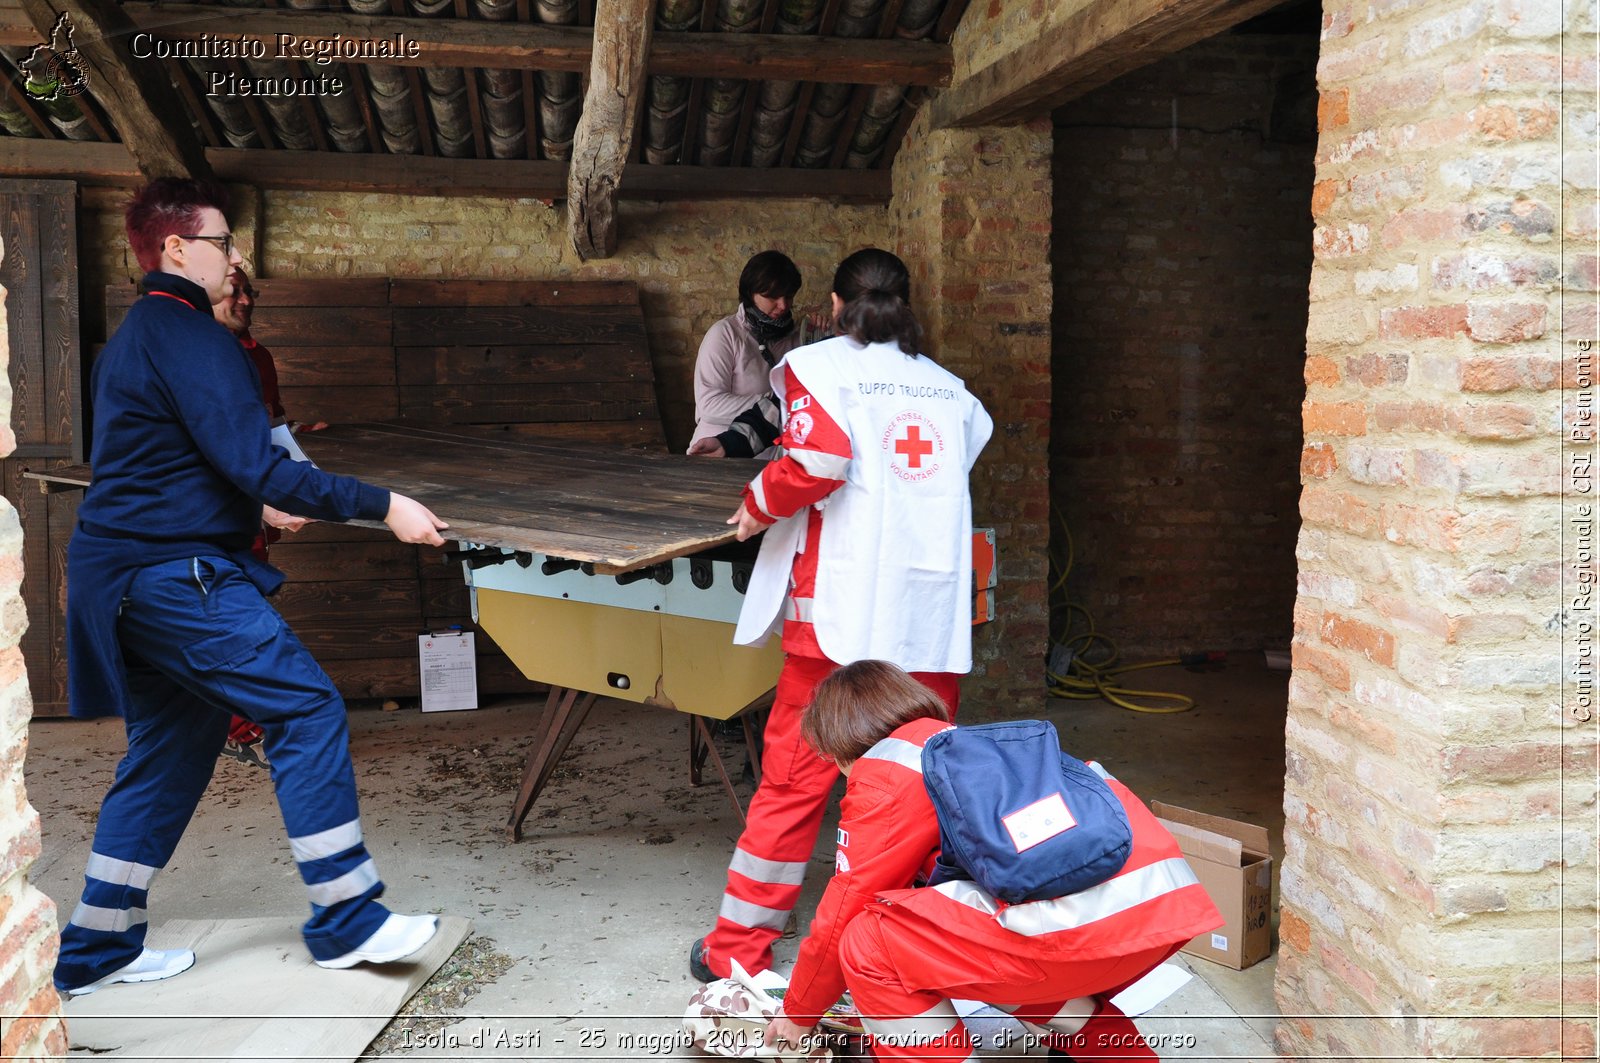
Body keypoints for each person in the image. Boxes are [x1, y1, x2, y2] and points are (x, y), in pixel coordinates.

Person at [54, 178, 449, 997]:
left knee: (170, 749)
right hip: (172, 575)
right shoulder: (194, 335)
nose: (237, 258)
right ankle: (347, 918)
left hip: (119, 578)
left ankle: (96, 949)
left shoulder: (134, 339)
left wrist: (254, 496)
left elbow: (175, 459)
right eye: (224, 242)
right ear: (175, 250)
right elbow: (259, 462)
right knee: (304, 706)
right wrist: (387, 506)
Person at [690, 247, 993, 983]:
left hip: (840, 622)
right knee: (920, 792)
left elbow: (819, 462)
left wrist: (757, 504)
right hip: (928, 623)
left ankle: (738, 950)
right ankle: (902, 950)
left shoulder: (817, 369)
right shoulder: (954, 393)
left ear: (832, 304)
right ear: (907, 303)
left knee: (794, 783)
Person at [761, 661, 1224, 1063]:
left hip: (1083, 933)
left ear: (841, 743)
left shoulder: (888, 770)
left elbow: (846, 908)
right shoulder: (976, 750)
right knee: (978, 939)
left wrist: (799, 1013)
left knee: (869, 941)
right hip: (1158, 915)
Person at [689, 250, 809, 458]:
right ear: (750, 293)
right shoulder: (725, 335)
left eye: (788, 296)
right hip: (721, 452)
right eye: (772, 296)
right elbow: (709, 405)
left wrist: (816, 335)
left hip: (773, 458)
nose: (783, 305)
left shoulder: (795, 339)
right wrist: (775, 403)